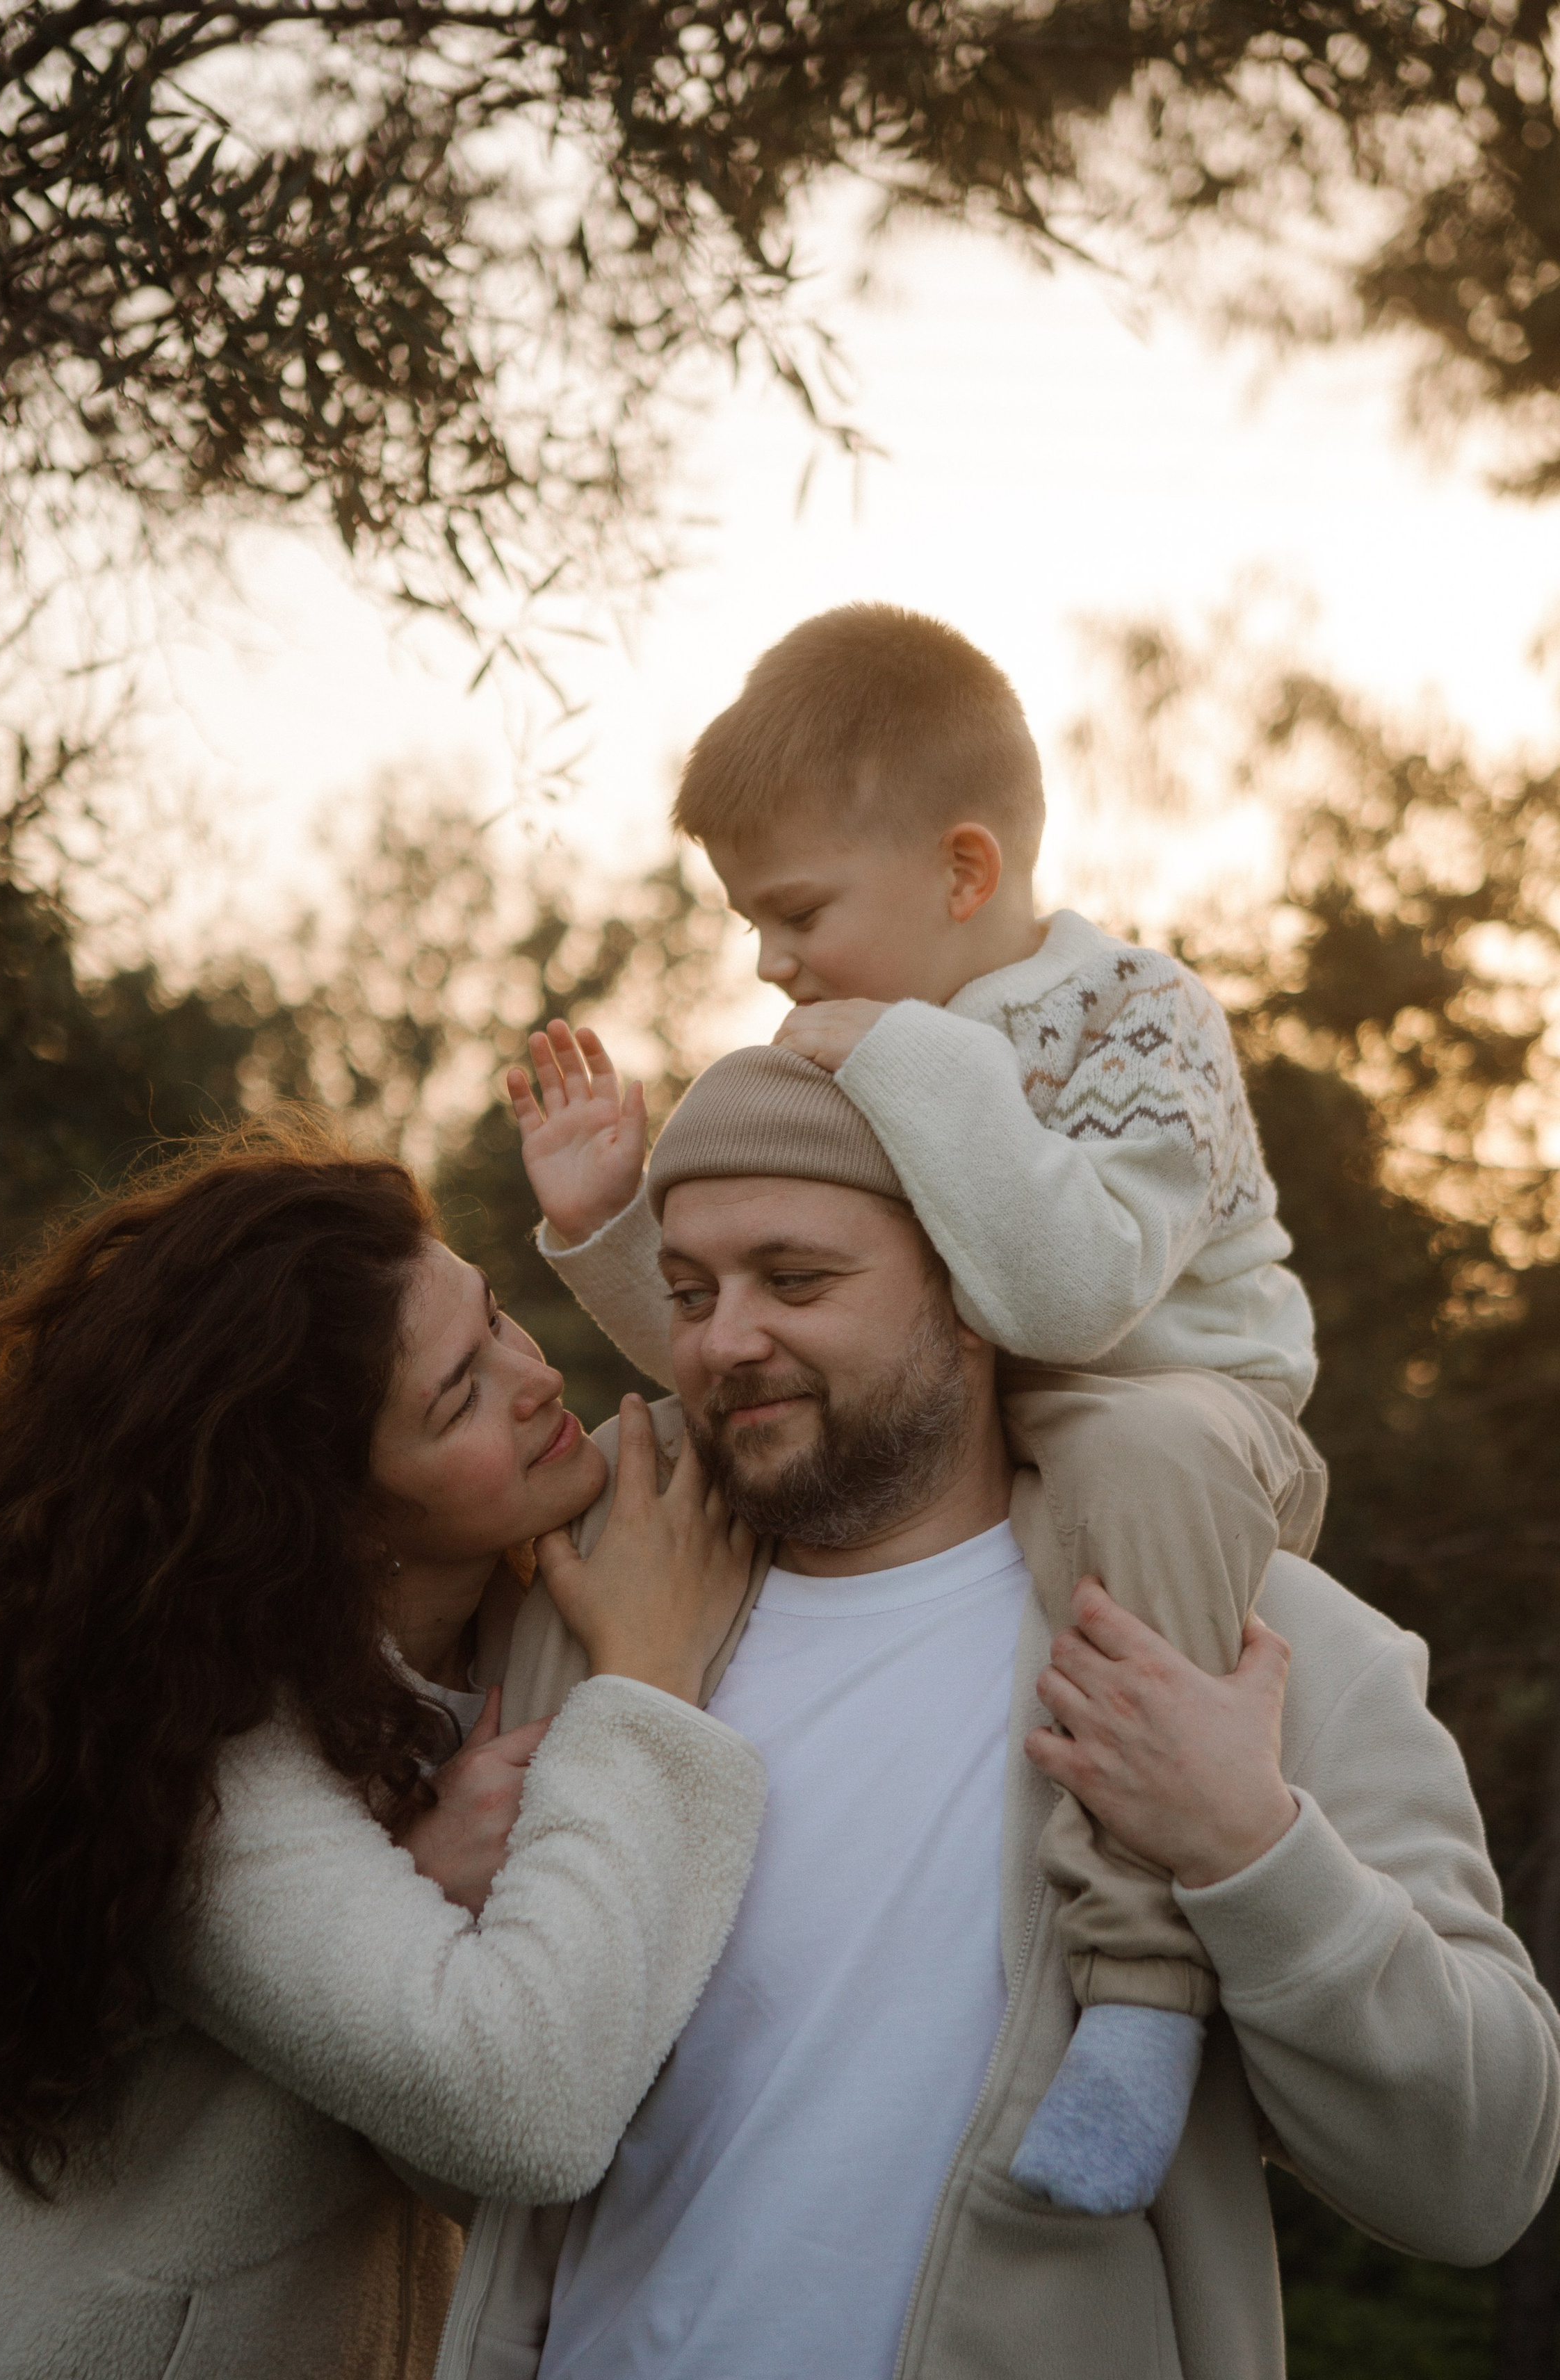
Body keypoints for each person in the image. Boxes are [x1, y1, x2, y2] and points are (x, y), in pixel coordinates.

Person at [348, 1047, 1560, 2380]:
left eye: (798, 1278)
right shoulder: (593, 1629)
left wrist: (1243, 1847)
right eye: (691, 1286)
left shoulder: (1250, 1648)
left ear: (973, 1290)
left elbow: (1479, 2169)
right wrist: (422, 1921)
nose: (724, 1338)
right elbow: (494, 2164)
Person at [0, 1116, 763, 2380]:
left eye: (497, 1315)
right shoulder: (205, 1763)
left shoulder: (502, 1610)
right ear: (321, 1510)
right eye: (459, 1393)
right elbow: (515, 2102)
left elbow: (785, 1414)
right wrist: (646, 1699)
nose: (533, 1377)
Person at [505, 602, 1328, 2216]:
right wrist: (609, 1226)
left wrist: (903, 1062)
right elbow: (767, 1334)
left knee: (1139, 1447)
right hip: (980, 1433)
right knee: (691, 1455)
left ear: (962, 873)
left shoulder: (1139, 1023)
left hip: (1189, 1420)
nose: (766, 962)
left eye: (797, 910)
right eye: (748, 921)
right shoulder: (855, 1052)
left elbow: (1071, 1295)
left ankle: (1141, 1992)